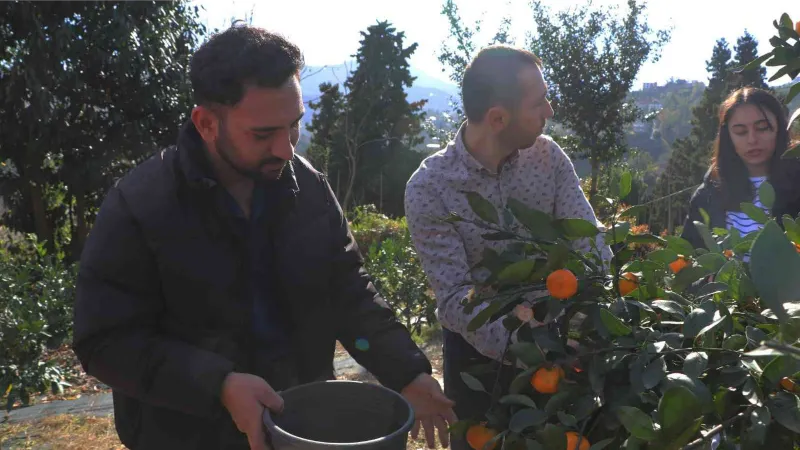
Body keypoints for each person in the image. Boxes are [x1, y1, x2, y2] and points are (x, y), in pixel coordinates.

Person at [72, 25, 456, 450]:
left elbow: (349, 294)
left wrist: (406, 370)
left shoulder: (308, 189)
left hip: (302, 425)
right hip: (186, 435)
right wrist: (218, 384)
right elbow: (105, 340)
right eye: (262, 134)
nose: (286, 150)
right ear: (206, 123)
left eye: (293, 126)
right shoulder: (139, 207)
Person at [404, 45, 611, 449]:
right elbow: (455, 298)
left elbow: (590, 241)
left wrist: (590, 322)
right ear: (498, 118)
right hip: (481, 363)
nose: (549, 111)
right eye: (539, 103)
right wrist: (534, 349)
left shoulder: (549, 159)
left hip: (565, 344)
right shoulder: (430, 188)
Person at [681, 87, 800, 255]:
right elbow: (687, 264)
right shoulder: (708, 195)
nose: (752, 139)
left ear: (780, 128)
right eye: (740, 132)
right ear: (728, 136)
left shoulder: (796, 183)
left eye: (762, 128)